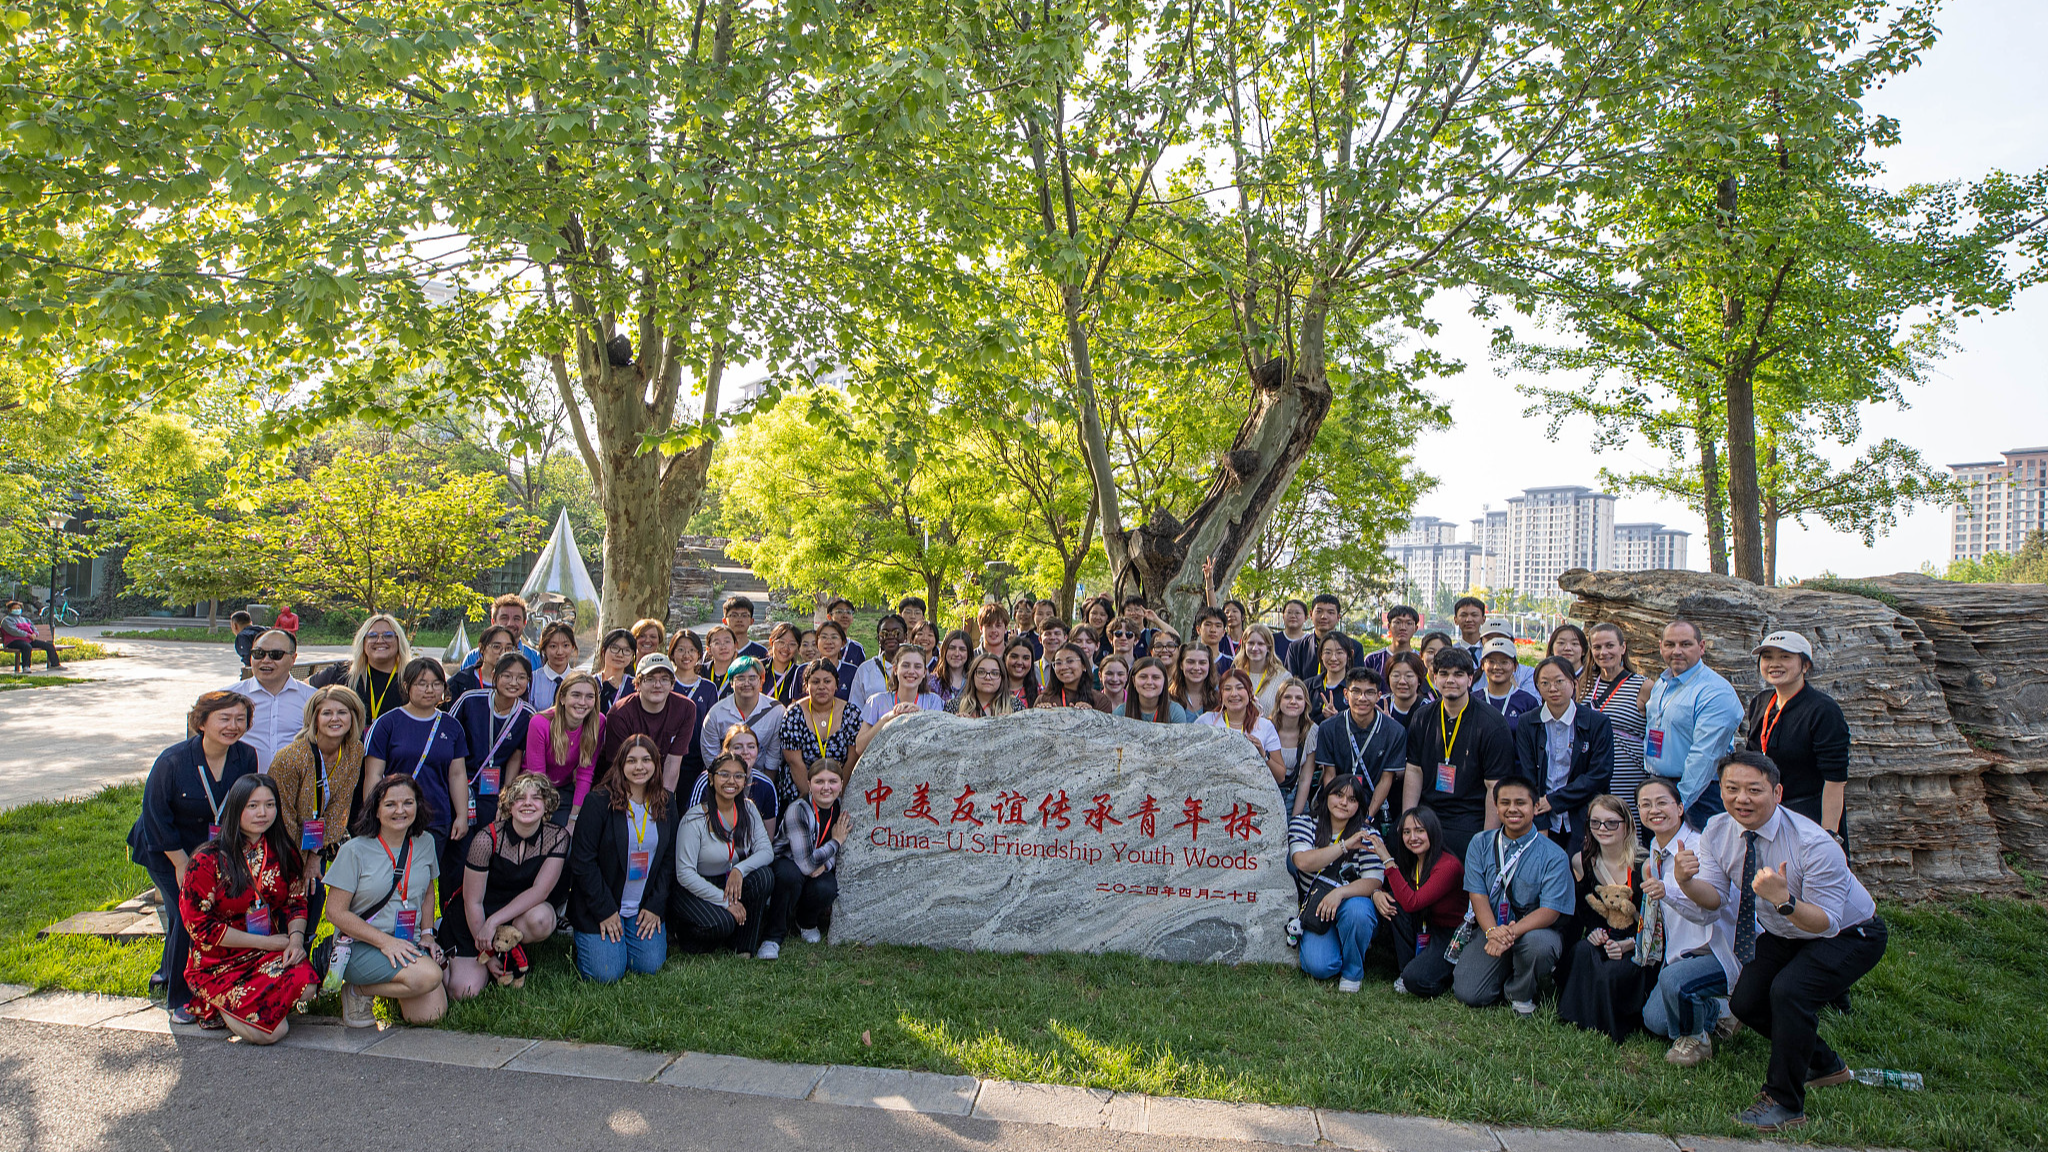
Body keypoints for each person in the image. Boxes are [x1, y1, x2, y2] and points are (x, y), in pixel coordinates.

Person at [1675, 752, 1887, 1132]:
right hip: (1785, 931)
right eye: (1732, 789)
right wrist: (1687, 883)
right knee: (1745, 1001)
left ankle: (1785, 1103)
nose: (1742, 798)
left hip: (1850, 934)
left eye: (1754, 790)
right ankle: (1823, 1064)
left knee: (1789, 993)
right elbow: (1716, 898)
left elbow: (1827, 923)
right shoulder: (1717, 831)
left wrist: (1784, 900)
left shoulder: (1813, 844)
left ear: (1777, 792)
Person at [128, 691, 259, 1021]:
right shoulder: (172, 761)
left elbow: (239, 807)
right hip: (166, 849)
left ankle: (170, 973)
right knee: (188, 917)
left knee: (188, 915)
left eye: (240, 719)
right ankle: (180, 1000)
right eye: (224, 718)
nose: (233, 726)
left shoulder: (246, 757)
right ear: (201, 722)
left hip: (210, 851)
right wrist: (181, 864)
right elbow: (156, 815)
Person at [176, 773, 319, 1041]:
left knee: (309, 986)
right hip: (217, 961)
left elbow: (295, 900)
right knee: (273, 1033)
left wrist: (295, 942)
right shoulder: (207, 860)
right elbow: (199, 927)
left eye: (269, 804)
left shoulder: (282, 851)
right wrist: (267, 944)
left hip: (267, 953)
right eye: (252, 806)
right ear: (236, 808)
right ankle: (217, 1003)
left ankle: (251, 1005)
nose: (262, 813)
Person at [322, 774, 448, 1026]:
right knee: (429, 976)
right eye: (390, 804)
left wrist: (426, 934)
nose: (400, 810)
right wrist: (386, 942)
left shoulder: (425, 842)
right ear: (376, 810)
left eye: (408, 803)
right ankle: (357, 991)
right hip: (361, 945)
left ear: (418, 805)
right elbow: (334, 913)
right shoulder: (354, 850)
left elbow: (426, 892)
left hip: (407, 942)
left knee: (429, 1015)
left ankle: (375, 987)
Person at [1634, 777, 1740, 1067]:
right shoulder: (1654, 853)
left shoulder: (1700, 849)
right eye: (1645, 804)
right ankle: (1722, 1012)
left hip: (1718, 951)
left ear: (1680, 808)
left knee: (1673, 981)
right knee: (1655, 1021)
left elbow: (1709, 912)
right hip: (1682, 953)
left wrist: (1669, 892)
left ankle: (1696, 1040)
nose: (1654, 810)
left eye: (1662, 802)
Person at [1452, 775, 1574, 1015]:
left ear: (1536, 807)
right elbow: (1477, 896)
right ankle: (1504, 968)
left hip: (1532, 931)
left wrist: (1509, 934)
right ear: (1496, 807)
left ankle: (1520, 992)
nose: (1512, 809)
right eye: (1505, 803)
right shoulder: (1480, 843)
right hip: (1493, 928)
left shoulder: (1555, 856)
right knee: (1468, 993)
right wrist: (1491, 933)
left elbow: (1550, 911)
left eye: (1521, 802)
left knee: (1539, 945)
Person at [442, 772, 566, 1001]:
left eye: (536, 797)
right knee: (465, 992)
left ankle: (510, 951)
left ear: (547, 804)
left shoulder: (557, 837)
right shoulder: (486, 838)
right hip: (474, 916)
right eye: (520, 798)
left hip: (510, 916)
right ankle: (451, 956)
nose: (528, 803)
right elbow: (473, 901)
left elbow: (541, 891)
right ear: (509, 805)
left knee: (542, 918)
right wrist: (486, 955)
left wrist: (494, 922)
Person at [568, 735, 678, 983]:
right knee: (606, 974)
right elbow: (583, 862)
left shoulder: (667, 802)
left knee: (649, 966)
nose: (639, 767)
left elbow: (669, 860)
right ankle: (590, 941)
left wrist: (655, 906)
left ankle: (624, 940)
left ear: (656, 764)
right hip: (602, 906)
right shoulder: (598, 802)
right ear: (620, 765)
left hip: (641, 907)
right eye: (632, 761)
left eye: (646, 760)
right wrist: (605, 911)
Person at [268, 684, 368, 930]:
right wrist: (297, 864)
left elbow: (339, 805)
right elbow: (283, 817)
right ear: (314, 718)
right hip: (280, 847)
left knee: (313, 900)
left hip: (316, 844)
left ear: (354, 717)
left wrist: (315, 856)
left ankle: (305, 957)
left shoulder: (354, 751)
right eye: (327, 713)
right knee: (285, 908)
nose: (335, 719)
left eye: (342, 712)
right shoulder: (291, 758)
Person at [1402, 648, 1513, 861]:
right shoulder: (1422, 717)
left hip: (1469, 815)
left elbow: (1494, 787)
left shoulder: (1492, 724)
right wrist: (1409, 819)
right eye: (1443, 674)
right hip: (1429, 811)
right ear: (1434, 678)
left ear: (1470, 679)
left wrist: (1487, 840)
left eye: (1458, 674)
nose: (1450, 680)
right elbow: (1414, 770)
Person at [1743, 630, 1850, 845]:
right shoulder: (1761, 702)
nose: (1774, 664)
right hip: (1767, 813)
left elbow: (1835, 780)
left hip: (1808, 816)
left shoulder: (1823, 710)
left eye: (1785, 657)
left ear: (1805, 665)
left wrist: (1828, 836)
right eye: (1767, 657)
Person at [1556, 795, 1647, 1041]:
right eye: (1595, 823)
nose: (1602, 829)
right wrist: (1597, 933)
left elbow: (1656, 923)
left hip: (1638, 943)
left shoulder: (1644, 864)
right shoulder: (1583, 861)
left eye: (1611, 823)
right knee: (1583, 951)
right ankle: (1575, 1017)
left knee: (1611, 971)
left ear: (1627, 824)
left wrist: (1629, 944)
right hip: (1606, 937)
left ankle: (1613, 1026)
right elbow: (1587, 912)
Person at [672, 751, 775, 956]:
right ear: (711, 778)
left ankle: (743, 946)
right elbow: (685, 874)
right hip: (694, 887)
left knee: (764, 876)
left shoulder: (749, 809)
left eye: (738, 776)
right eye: (724, 774)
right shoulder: (694, 819)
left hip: (729, 880)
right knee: (723, 923)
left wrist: (739, 868)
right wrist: (725, 901)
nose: (731, 781)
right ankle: (684, 935)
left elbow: (766, 851)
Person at [1288, 774, 1385, 992]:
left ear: (1359, 806)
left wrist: (1339, 893)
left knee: (1358, 912)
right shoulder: (1304, 823)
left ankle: (1352, 972)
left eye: (1352, 799)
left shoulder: (1368, 834)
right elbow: (1302, 861)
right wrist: (1345, 845)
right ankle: (1348, 945)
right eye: (1338, 795)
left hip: (1349, 906)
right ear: (1326, 795)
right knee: (1320, 966)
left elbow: (1374, 881)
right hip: (1316, 910)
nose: (1343, 803)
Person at [1646, 619, 1745, 830]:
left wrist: (1678, 803)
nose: (1677, 651)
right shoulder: (1662, 684)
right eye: (1670, 644)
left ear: (1701, 647)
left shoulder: (1715, 691)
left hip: (1697, 794)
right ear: (1661, 647)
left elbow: (1705, 756)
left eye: (1685, 644)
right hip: (1660, 787)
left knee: (1697, 859)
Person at [1513, 656, 1615, 855]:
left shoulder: (1597, 722)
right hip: (1542, 814)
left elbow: (1600, 774)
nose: (1552, 688)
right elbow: (1528, 775)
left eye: (1559, 681)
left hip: (1585, 813)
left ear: (1574, 683)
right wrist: (1540, 816)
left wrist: (1555, 800)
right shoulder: (1527, 722)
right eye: (1545, 683)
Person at [1370, 807, 1464, 998]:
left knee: (1417, 980)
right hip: (1424, 924)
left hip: (1450, 933)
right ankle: (1407, 969)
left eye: (1420, 830)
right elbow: (1395, 890)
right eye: (1407, 832)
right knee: (1392, 902)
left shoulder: (1448, 865)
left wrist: (1387, 859)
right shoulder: (1411, 859)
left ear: (1432, 831)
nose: (1413, 837)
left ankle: (1442, 977)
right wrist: (1376, 893)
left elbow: (1413, 902)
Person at [449, 654, 534, 852]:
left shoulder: (527, 714)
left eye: (521, 677)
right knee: (458, 847)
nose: (514, 683)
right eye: (507, 676)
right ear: (495, 676)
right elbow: (451, 740)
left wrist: (506, 798)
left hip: (493, 790)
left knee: (486, 844)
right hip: (460, 782)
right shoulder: (470, 700)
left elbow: (516, 756)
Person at [764, 758, 848, 956]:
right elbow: (806, 864)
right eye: (819, 782)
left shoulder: (842, 808)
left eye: (832, 781)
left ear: (842, 784)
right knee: (789, 875)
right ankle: (773, 936)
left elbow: (843, 854)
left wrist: (825, 863)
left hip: (817, 865)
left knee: (827, 887)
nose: (826, 787)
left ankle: (806, 922)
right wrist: (835, 843)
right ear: (809, 784)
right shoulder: (798, 810)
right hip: (789, 862)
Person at [1312, 669, 1404, 826]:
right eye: (1356, 692)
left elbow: (1386, 779)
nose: (1362, 698)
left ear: (1378, 696)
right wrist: (1337, 811)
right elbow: (1329, 775)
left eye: (1369, 692)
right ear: (1346, 694)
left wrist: (1367, 818)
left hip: (1374, 807)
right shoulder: (1329, 728)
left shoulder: (1395, 731)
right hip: (1336, 803)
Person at [1579, 622, 1650, 825]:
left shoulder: (1643, 686)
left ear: (1623, 647)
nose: (1603, 652)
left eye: (1610, 646)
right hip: (1592, 773)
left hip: (1628, 773)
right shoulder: (1584, 685)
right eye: (1597, 647)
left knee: (1628, 828)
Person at [602, 654, 700, 796]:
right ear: (637, 684)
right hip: (622, 783)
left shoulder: (686, 708)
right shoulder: (619, 713)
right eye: (650, 679)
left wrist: (663, 802)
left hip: (660, 780)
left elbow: (673, 763)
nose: (657, 685)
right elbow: (619, 767)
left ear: (673, 684)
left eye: (664, 679)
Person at [525, 669, 604, 833]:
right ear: (562, 698)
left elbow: (586, 772)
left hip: (565, 789)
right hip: (533, 789)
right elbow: (537, 776)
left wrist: (574, 818)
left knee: (568, 837)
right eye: (576, 695)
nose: (582, 702)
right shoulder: (540, 723)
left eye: (590, 696)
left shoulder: (598, 722)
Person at [227, 628, 314, 770]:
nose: (266, 660)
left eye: (276, 655)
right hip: (244, 786)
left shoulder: (312, 699)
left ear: (293, 658)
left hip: (296, 786)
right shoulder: (228, 698)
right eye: (258, 654)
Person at [781, 658, 864, 800]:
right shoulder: (794, 713)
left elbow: (853, 759)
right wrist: (812, 798)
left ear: (836, 685)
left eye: (827, 681)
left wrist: (837, 795)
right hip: (802, 790)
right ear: (806, 686)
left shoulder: (851, 713)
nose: (821, 687)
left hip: (841, 789)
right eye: (815, 682)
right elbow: (794, 762)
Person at [309, 614, 412, 725]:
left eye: (388, 635)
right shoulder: (344, 673)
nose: (380, 640)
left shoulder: (412, 678)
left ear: (399, 640)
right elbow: (303, 688)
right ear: (363, 642)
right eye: (372, 635)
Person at [698, 656, 787, 776]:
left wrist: (765, 785)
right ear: (731, 683)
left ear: (761, 681)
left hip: (760, 775)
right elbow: (711, 758)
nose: (746, 683)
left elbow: (773, 756)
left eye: (752, 678)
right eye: (740, 678)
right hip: (725, 778)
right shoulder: (715, 714)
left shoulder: (776, 711)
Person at [854, 644, 944, 761]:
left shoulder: (934, 702)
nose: (911, 671)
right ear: (895, 669)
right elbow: (860, 748)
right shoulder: (876, 701)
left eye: (917, 667)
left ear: (924, 672)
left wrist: (920, 715)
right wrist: (886, 719)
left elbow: (939, 744)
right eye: (905, 665)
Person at [1196, 669, 1283, 782]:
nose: (1234, 694)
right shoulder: (1206, 721)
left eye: (1240, 688)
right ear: (1221, 694)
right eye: (1227, 689)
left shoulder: (1264, 726)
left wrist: (1262, 754)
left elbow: (1280, 777)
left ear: (1250, 692)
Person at [668, 630, 720, 788]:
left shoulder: (708, 687)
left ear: (699, 654)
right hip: (666, 755)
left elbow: (712, 726)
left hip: (695, 757)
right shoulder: (665, 683)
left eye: (692, 650)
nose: (686, 655)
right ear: (672, 653)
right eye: (681, 650)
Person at [1284, 594, 1363, 683]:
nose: (1324, 616)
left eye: (1330, 612)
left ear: (1338, 617)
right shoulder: (1296, 648)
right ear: (1311, 614)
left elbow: (1357, 682)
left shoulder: (1354, 647)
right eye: (1319, 611)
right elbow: (1290, 683)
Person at [1267, 679, 1318, 816]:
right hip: (1267, 796)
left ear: (1305, 703)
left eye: (1299, 698)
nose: (1293, 701)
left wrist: (1296, 817)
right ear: (1279, 701)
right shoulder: (1267, 727)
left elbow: (1305, 779)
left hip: (1295, 796)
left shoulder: (1311, 731)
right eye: (1287, 697)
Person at [456, 594, 544, 672]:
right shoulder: (473, 658)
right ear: (493, 622)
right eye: (504, 618)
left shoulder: (537, 660)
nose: (510, 624)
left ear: (524, 623)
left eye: (516, 618)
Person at [445, 625, 524, 704]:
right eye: (496, 647)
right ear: (482, 648)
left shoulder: (518, 683)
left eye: (509, 648)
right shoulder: (460, 682)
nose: (503, 652)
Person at [1475, 637, 1540, 723]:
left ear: (1515, 666)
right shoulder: (1473, 700)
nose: (1497, 667)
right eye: (1491, 661)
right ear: (1482, 665)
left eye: (1504, 662)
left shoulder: (1528, 702)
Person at [849, 614, 907, 705]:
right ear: (878, 639)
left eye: (896, 633)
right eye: (884, 634)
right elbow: (855, 706)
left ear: (905, 637)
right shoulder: (866, 669)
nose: (890, 636)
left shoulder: (914, 668)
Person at [1361, 605, 1421, 689]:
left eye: (1409, 623)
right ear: (1389, 626)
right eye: (1397, 622)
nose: (1403, 628)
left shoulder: (1422, 660)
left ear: (1416, 628)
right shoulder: (1372, 659)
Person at [1036, 644, 1110, 711]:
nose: (1064, 667)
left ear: (1084, 665)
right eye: (1058, 663)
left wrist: (1090, 714)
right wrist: (1041, 713)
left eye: (1070, 661)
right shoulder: (1044, 700)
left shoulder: (1100, 700)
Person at [1116, 657, 1189, 723]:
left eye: (1155, 677)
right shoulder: (1120, 713)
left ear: (1164, 681)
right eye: (1143, 677)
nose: (1149, 682)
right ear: (1133, 681)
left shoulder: (1175, 712)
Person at [1234, 625, 1285, 715]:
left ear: (1269, 647)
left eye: (1260, 644)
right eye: (1250, 643)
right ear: (1244, 645)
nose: (1255, 648)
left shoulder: (1282, 677)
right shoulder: (1235, 674)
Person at [1479, 617, 1538, 692]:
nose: (1495, 642)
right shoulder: (1474, 674)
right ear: (1481, 642)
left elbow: (1533, 702)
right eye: (1489, 638)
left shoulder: (1528, 674)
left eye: (1501, 637)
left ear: (1512, 641)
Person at [531, 621, 580, 711]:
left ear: (572, 647)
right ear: (544, 649)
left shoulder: (580, 681)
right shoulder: (533, 680)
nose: (560, 652)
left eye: (565, 645)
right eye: (553, 646)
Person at [952, 653, 1019, 717]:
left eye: (994, 673)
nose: (987, 677)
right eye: (981, 672)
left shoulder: (1015, 705)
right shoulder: (954, 706)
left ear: (1002, 678)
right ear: (973, 676)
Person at [1307, 632, 1354, 723]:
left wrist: (1338, 718)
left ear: (1349, 655)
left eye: (1339, 652)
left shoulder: (1355, 688)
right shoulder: (1309, 686)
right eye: (1327, 652)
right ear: (1321, 655)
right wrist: (1322, 716)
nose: (1333, 658)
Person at [1, 600, 62, 670]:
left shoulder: (25, 619)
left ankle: (55, 665)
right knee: (27, 646)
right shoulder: (7, 620)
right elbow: (14, 631)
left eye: (18, 608)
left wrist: (35, 634)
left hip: (28, 640)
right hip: (13, 641)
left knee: (49, 645)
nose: (17, 610)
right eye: (15, 608)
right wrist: (28, 635)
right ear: (9, 610)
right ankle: (26, 667)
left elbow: (33, 628)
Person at [592, 627, 638, 713]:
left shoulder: (635, 686)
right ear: (603, 651)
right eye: (615, 648)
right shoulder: (590, 683)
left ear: (632, 656)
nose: (620, 654)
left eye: (626, 650)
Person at [1382, 651, 1432, 728]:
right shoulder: (1378, 705)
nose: (1402, 681)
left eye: (1409, 676)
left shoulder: (1430, 710)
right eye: (1396, 675)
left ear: (1419, 679)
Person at [814, 620, 860, 701]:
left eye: (834, 637)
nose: (828, 642)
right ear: (817, 641)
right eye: (824, 637)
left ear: (843, 643)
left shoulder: (853, 671)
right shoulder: (804, 669)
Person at [761, 622, 804, 705]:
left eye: (792, 644)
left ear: (798, 648)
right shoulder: (758, 668)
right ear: (771, 641)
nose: (785, 648)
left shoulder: (800, 674)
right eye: (781, 642)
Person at [1170, 642, 1217, 716]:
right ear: (1181, 665)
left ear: (1209, 665)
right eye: (1190, 662)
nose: (1196, 668)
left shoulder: (1219, 696)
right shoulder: (1169, 697)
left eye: (1202, 662)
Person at [931, 629, 974, 707]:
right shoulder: (933, 682)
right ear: (944, 650)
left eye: (962, 649)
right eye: (952, 648)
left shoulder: (974, 682)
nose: (957, 653)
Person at [721, 595, 768, 659]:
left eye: (744, 615)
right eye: (734, 615)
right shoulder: (718, 651)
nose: (739, 620)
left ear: (752, 621)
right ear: (724, 620)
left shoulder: (761, 652)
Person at [701, 623, 741, 697]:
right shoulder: (700, 672)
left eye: (727, 641)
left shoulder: (742, 672)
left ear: (735, 645)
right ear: (708, 649)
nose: (723, 647)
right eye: (717, 643)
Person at [1002, 637, 1042, 708]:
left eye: (1025, 658)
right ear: (1005, 658)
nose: (1020, 662)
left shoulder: (1040, 692)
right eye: (1014, 657)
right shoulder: (993, 690)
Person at [826, 598, 867, 665]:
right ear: (829, 617)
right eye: (839, 611)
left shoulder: (857, 649)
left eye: (848, 612)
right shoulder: (822, 646)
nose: (845, 616)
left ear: (852, 618)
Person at [1273, 598, 1310, 664]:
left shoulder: (1311, 642)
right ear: (1283, 616)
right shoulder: (1272, 639)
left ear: (1306, 618)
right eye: (1289, 612)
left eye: (1297, 613)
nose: (1293, 616)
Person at [1451, 596, 1487, 664]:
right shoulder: (1451, 652)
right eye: (1463, 615)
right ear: (1455, 620)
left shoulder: (1491, 650)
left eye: (1474, 615)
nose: (1469, 620)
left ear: (1483, 619)